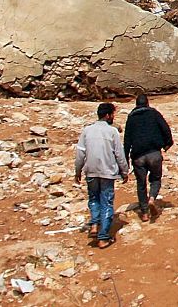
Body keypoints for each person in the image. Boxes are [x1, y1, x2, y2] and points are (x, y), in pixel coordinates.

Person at [74, 102, 129, 248]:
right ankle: (103, 237)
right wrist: (124, 171)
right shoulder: (112, 132)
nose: (113, 117)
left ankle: (94, 224)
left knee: (93, 198)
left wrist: (77, 171)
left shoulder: (87, 130)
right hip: (107, 172)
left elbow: (80, 153)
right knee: (106, 202)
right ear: (108, 115)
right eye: (112, 114)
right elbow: (119, 154)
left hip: (90, 170)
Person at [123, 93, 174, 220]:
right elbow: (165, 129)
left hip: (138, 156)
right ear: (147, 103)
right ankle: (151, 199)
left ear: (136, 105)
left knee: (141, 184)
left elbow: (127, 140)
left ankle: (144, 213)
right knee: (155, 179)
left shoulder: (131, 118)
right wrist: (168, 143)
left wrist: (125, 160)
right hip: (154, 153)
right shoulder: (154, 114)